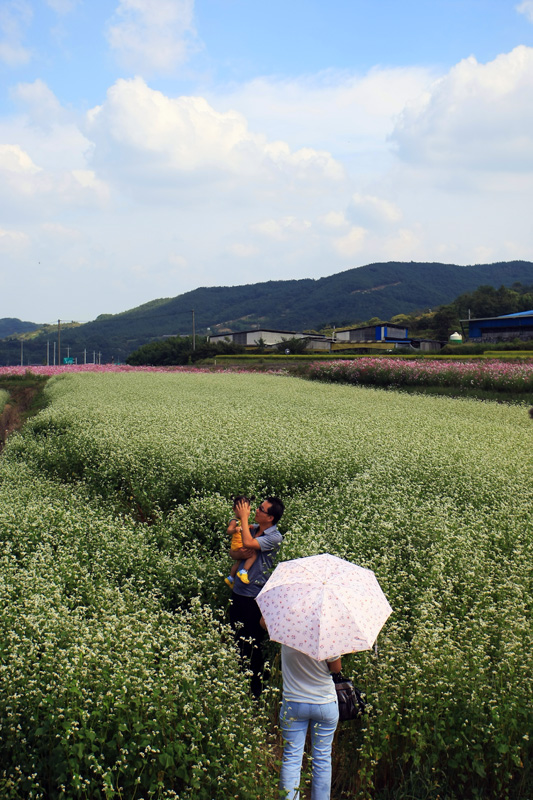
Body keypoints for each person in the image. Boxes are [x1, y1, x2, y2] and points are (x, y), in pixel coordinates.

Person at [229, 496, 284, 698]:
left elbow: (248, 543)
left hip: (254, 596)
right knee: (237, 638)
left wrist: (242, 517)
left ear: (270, 518)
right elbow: (234, 552)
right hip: (238, 592)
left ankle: (256, 690)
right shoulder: (251, 528)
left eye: (261, 509)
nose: (257, 511)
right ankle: (242, 681)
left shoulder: (274, 537)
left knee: (252, 642)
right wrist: (239, 555)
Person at [277, 643, 341, 800]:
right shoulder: (328, 632)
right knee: (322, 758)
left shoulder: (286, 627)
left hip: (294, 702)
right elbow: (336, 668)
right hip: (324, 703)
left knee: (291, 757)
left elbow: (264, 623)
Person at [224, 495, 257, 588]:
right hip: (238, 544)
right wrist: (235, 529)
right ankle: (244, 571)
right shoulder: (234, 521)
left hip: (238, 544)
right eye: (240, 508)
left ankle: (231, 578)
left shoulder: (242, 521)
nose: (244, 511)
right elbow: (228, 531)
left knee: (238, 562)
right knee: (253, 554)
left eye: (246, 508)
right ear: (234, 509)